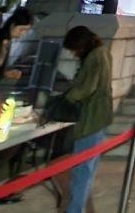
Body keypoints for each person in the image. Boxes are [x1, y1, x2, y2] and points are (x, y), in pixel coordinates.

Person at [54, 26, 114, 213]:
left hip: (92, 117)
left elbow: (88, 87)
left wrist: (66, 98)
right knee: (86, 167)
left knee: (82, 169)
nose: (74, 54)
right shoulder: (102, 53)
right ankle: (76, 207)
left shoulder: (96, 56)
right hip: (99, 115)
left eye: (74, 49)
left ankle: (75, 209)